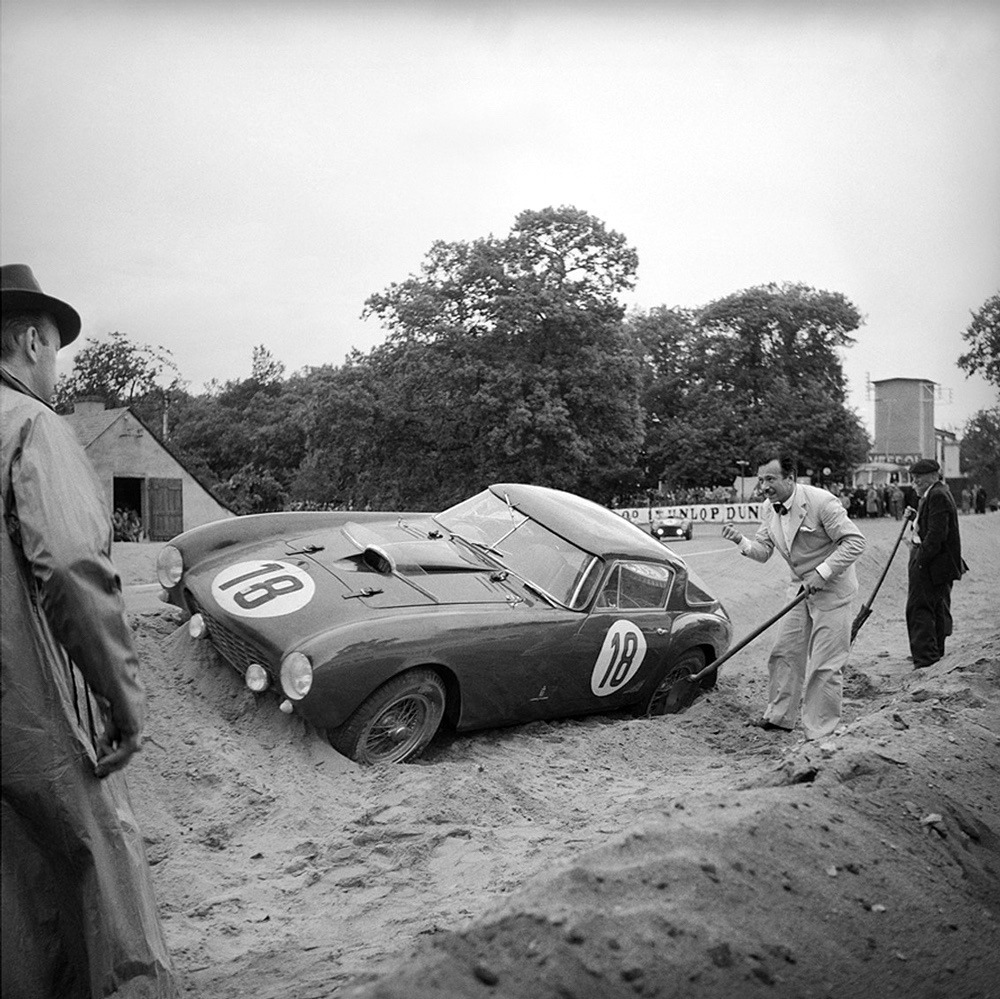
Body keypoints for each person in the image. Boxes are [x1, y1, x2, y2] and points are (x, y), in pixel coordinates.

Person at [1, 264, 178, 998]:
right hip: (35, 714)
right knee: (107, 889)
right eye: (54, 350)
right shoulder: (33, 425)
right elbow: (73, 565)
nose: (55, 366)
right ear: (31, 339)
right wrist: (124, 702)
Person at [721, 449, 866, 740]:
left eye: (771, 479)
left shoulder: (822, 502)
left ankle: (819, 731)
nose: (764, 487)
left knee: (825, 664)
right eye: (761, 480)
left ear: (791, 477)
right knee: (784, 653)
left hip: (833, 591)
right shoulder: (768, 507)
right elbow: (763, 552)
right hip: (799, 590)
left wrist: (823, 572)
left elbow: (854, 542)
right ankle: (779, 716)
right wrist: (741, 540)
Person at [905, 458, 965, 669]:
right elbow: (929, 526)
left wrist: (920, 560)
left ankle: (925, 658)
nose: (914, 484)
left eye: (917, 479)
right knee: (937, 608)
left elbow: (937, 535)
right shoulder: (934, 493)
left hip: (933, 564)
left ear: (932, 476)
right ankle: (933, 653)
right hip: (938, 563)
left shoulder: (937, 495)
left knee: (920, 609)